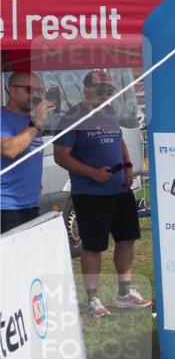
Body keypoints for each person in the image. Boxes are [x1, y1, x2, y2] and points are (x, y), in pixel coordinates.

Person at [53, 70, 150, 317]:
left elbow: (119, 142)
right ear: (86, 89)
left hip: (119, 189)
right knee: (93, 247)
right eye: (102, 89)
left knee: (127, 239)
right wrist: (91, 172)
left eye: (109, 89)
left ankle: (124, 292)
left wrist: (128, 166)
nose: (107, 93)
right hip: (90, 194)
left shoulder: (109, 112)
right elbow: (61, 156)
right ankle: (93, 299)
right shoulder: (73, 117)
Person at [1, 72, 55, 233]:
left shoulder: (30, 122)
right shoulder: (4, 117)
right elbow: (9, 150)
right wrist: (37, 122)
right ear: (11, 90)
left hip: (30, 204)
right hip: (5, 207)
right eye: (29, 89)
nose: (36, 95)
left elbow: (30, 157)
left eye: (39, 90)